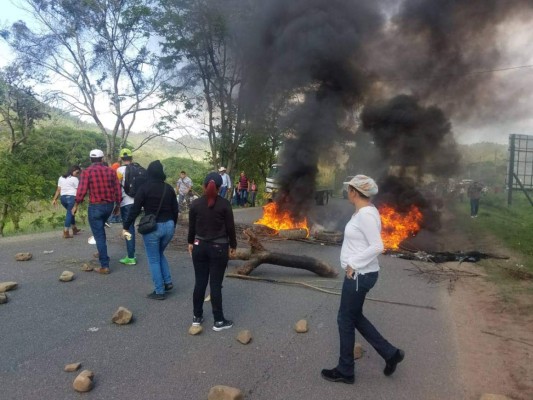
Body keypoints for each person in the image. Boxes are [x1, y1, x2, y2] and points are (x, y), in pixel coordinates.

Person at [321, 175, 404, 385]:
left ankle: (346, 370)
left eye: (348, 189)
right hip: (362, 274)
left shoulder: (365, 215)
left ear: (355, 192)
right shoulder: (365, 211)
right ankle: (390, 353)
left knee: (345, 319)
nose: (347, 192)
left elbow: (378, 246)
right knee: (355, 317)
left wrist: (353, 263)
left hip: (359, 276)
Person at [122, 160, 179, 300]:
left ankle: (159, 291)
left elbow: (135, 209)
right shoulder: (168, 188)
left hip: (153, 228)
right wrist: (173, 225)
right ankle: (167, 282)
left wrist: (126, 226)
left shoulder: (144, 188)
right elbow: (175, 210)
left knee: (153, 259)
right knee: (159, 253)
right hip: (169, 226)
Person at [188, 172, 237, 331]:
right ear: (220, 187)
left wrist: (190, 242)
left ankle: (197, 317)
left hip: (199, 246)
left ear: (203, 186)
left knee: (200, 282)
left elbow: (192, 227)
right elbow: (230, 228)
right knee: (215, 284)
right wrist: (233, 246)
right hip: (219, 248)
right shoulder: (224, 204)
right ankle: (219, 321)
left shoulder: (195, 204)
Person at [72, 149, 122, 275]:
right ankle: (102, 253)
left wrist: (76, 205)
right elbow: (117, 189)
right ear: (102, 159)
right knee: (100, 231)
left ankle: (104, 266)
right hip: (109, 206)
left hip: (95, 207)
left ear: (90, 159)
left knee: (98, 235)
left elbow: (82, 190)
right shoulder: (111, 171)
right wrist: (118, 206)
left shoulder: (87, 172)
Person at [116, 149, 137, 265]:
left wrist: (117, 204)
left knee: (128, 229)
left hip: (126, 203)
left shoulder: (119, 170)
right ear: (131, 158)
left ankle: (131, 257)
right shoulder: (138, 169)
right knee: (132, 227)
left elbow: (117, 187)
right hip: (137, 203)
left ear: (121, 159)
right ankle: (131, 252)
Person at [52, 165, 82, 238]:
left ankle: (74, 228)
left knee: (71, 212)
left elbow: (58, 189)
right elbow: (78, 191)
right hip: (72, 197)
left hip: (63, 198)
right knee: (70, 213)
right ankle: (66, 231)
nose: (78, 174)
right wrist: (78, 200)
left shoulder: (61, 178)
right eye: (77, 172)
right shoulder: (75, 179)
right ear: (73, 171)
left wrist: (54, 199)